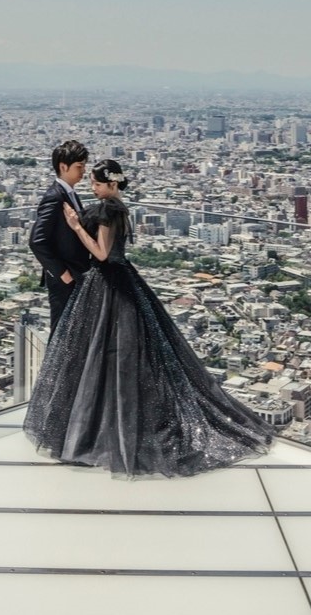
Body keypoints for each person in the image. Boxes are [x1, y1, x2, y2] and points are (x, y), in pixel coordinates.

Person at [23, 158, 273, 477]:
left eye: (97, 184)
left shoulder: (107, 210)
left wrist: (74, 227)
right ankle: (122, 420)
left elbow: (100, 254)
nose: (92, 187)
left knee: (100, 355)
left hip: (106, 282)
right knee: (130, 355)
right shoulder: (120, 208)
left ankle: (98, 426)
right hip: (122, 280)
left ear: (110, 184)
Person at [27, 139, 92, 330]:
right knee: (62, 332)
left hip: (75, 273)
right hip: (65, 277)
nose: (83, 171)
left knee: (73, 330)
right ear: (63, 167)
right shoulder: (55, 197)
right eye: (79, 166)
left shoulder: (70, 194)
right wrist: (63, 274)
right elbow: (37, 241)